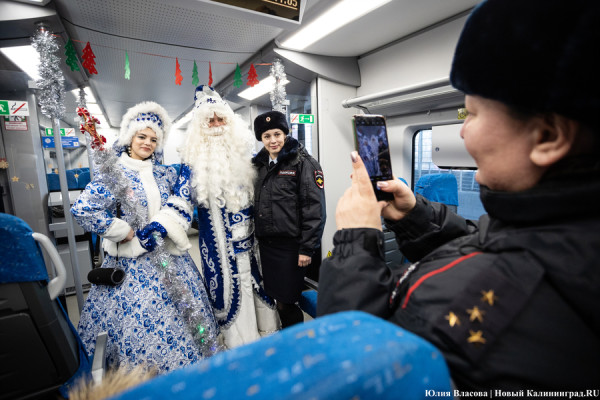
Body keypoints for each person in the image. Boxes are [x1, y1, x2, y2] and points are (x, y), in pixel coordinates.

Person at [317, 0, 600, 390]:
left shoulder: (467, 317)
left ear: (548, 137)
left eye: (473, 114)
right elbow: (487, 244)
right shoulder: (561, 233)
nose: (463, 131)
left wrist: (355, 242)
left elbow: (347, 374)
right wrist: (415, 217)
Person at [71, 101, 220, 373]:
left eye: (153, 139)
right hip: (131, 267)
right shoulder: (113, 173)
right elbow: (82, 209)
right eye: (142, 136)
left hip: (170, 260)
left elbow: (183, 201)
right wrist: (122, 231)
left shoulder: (165, 174)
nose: (147, 143)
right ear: (130, 137)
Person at [161, 85, 279, 349]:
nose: (216, 125)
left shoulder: (247, 158)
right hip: (221, 253)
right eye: (210, 121)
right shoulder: (192, 165)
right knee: (231, 299)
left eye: (220, 119)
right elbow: (180, 200)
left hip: (254, 246)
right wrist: (163, 224)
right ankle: (241, 350)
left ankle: (268, 342)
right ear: (200, 128)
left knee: (261, 293)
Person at [252, 111, 326, 328]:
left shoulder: (304, 163)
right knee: (274, 298)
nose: (273, 140)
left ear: (286, 133)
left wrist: (307, 249)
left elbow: (315, 209)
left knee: (286, 301)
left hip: (291, 248)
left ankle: (296, 339)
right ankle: (286, 333)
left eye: (277, 134)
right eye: (267, 136)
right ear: (261, 139)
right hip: (267, 247)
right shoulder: (258, 166)